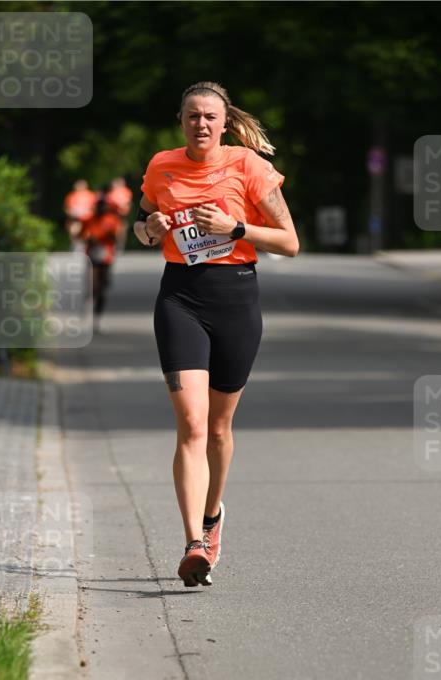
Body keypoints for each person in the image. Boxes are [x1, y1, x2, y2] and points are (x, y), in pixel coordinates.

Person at [134, 81, 299, 587]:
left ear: (223, 123)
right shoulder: (161, 166)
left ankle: (211, 517)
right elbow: (141, 227)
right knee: (191, 424)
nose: (200, 124)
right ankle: (193, 545)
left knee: (220, 430)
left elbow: (290, 243)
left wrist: (236, 228)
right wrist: (151, 230)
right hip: (179, 297)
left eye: (209, 116)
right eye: (191, 116)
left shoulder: (248, 167)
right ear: (180, 120)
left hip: (235, 299)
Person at [80, 192, 122, 329]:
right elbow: (80, 235)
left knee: (103, 287)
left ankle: (98, 317)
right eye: (98, 205)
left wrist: (109, 236)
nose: (100, 208)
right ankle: (89, 307)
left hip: (106, 255)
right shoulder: (88, 219)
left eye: (103, 206)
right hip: (92, 254)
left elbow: (116, 238)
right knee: (94, 284)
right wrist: (89, 239)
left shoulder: (112, 220)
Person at [63, 179, 97, 250]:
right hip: (75, 218)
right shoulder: (71, 196)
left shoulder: (91, 195)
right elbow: (67, 207)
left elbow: (95, 207)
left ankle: (87, 245)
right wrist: (70, 213)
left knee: (88, 232)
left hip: (88, 218)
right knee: (73, 230)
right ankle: (75, 244)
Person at [105, 178, 133, 250]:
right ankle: (112, 244)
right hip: (113, 214)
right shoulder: (112, 192)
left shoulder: (126, 191)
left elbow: (128, 203)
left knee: (122, 230)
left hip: (123, 214)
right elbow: (108, 203)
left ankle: (120, 245)